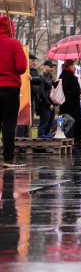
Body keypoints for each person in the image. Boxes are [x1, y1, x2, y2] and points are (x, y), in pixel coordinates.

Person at [0, 16, 27, 168]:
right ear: (11, 27)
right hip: (10, 87)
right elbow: (21, 67)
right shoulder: (14, 43)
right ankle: (8, 159)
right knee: (9, 124)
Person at [59, 60, 81, 149]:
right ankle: (75, 142)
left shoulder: (61, 76)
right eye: (73, 65)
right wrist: (79, 93)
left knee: (64, 121)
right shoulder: (71, 78)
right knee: (74, 123)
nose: (75, 67)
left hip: (64, 105)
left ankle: (64, 139)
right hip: (73, 106)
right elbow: (74, 92)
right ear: (69, 66)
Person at [16, 52, 41, 137]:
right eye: (33, 60)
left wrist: (32, 78)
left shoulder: (34, 71)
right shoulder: (21, 69)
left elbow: (40, 79)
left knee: (29, 121)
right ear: (28, 60)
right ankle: (18, 139)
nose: (34, 62)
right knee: (21, 122)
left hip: (32, 100)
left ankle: (26, 139)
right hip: (22, 99)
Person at [37, 60, 56, 138]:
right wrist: (48, 104)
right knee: (44, 122)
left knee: (50, 122)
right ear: (45, 66)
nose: (52, 68)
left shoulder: (50, 77)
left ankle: (47, 136)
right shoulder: (41, 77)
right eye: (50, 67)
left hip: (52, 103)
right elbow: (41, 93)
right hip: (45, 104)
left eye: (52, 67)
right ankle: (41, 138)